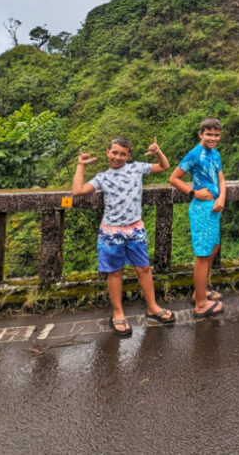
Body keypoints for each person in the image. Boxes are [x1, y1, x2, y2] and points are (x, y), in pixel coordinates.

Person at [72, 137, 176, 337]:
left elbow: (164, 166)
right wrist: (81, 165)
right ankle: (118, 312)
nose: (118, 157)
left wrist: (157, 151)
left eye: (123, 154)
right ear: (107, 152)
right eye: (114, 153)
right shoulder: (103, 177)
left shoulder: (137, 168)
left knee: (144, 268)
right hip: (112, 231)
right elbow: (78, 191)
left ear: (128, 156)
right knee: (115, 272)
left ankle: (152, 306)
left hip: (135, 228)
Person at [168, 117, 226, 318]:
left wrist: (222, 198)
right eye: (209, 134)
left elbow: (220, 178)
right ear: (201, 134)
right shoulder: (194, 154)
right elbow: (174, 178)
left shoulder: (215, 154)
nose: (213, 138)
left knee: (213, 248)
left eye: (216, 135)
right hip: (201, 209)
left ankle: (199, 291)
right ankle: (201, 303)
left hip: (214, 208)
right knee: (202, 255)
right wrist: (194, 193)